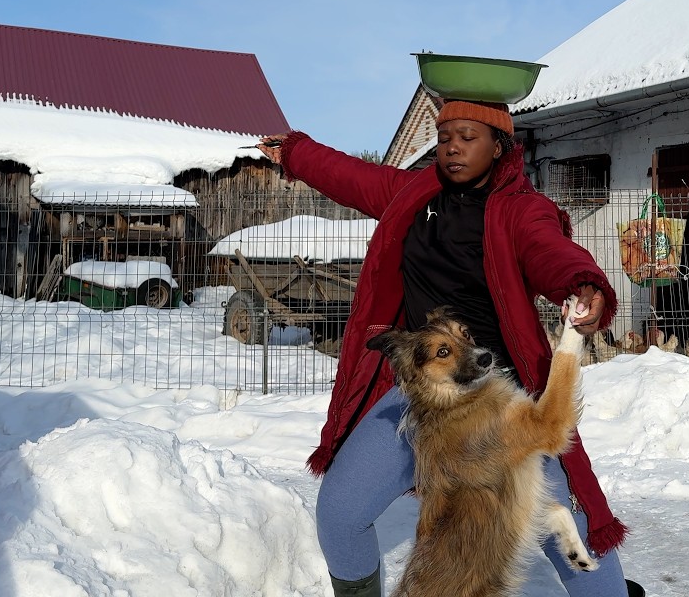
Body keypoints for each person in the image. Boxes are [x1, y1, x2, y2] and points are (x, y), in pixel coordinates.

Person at [257, 99, 631, 597]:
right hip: (420, 396)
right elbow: (351, 176)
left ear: (500, 147)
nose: (452, 147)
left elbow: (551, 251)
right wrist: (295, 153)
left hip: (495, 399)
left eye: (468, 137)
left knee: (567, 524)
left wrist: (582, 283)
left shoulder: (521, 210)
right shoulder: (412, 194)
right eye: (445, 136)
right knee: (340, 512)